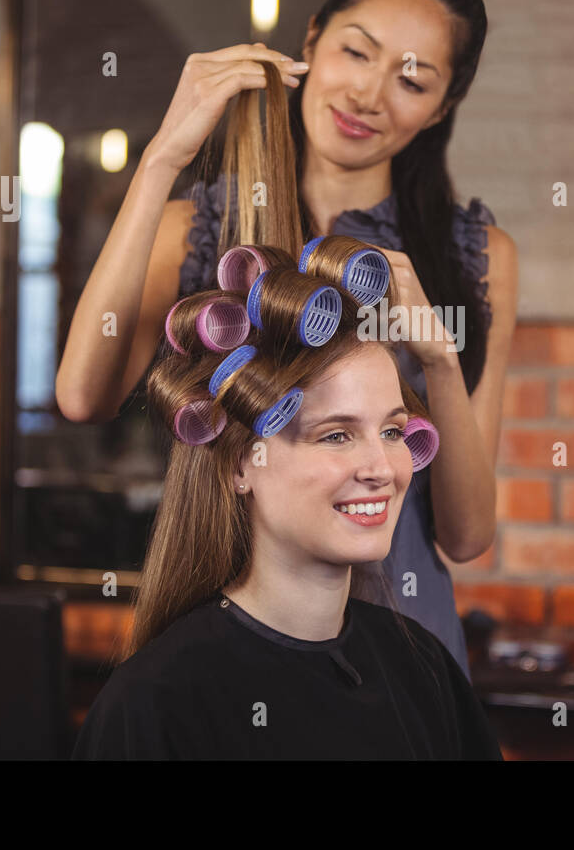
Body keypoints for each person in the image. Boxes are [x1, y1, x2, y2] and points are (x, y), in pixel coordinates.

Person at [57, 0, 518, 679]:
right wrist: (162, 161)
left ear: (443, 108)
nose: (370, 94)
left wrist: (435, 354)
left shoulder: (474, 253)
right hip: (225, 628)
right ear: (312, 40)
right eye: (357, 52)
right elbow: (83, 395)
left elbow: (465, 534)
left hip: (402, 643)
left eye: (414, 79)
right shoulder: (199, 230)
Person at [71, 251, 503, 760]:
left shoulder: (423, 668)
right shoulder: (157, 702)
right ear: (239, 466)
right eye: (336, 435)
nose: (382, 469)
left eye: (391, 431)